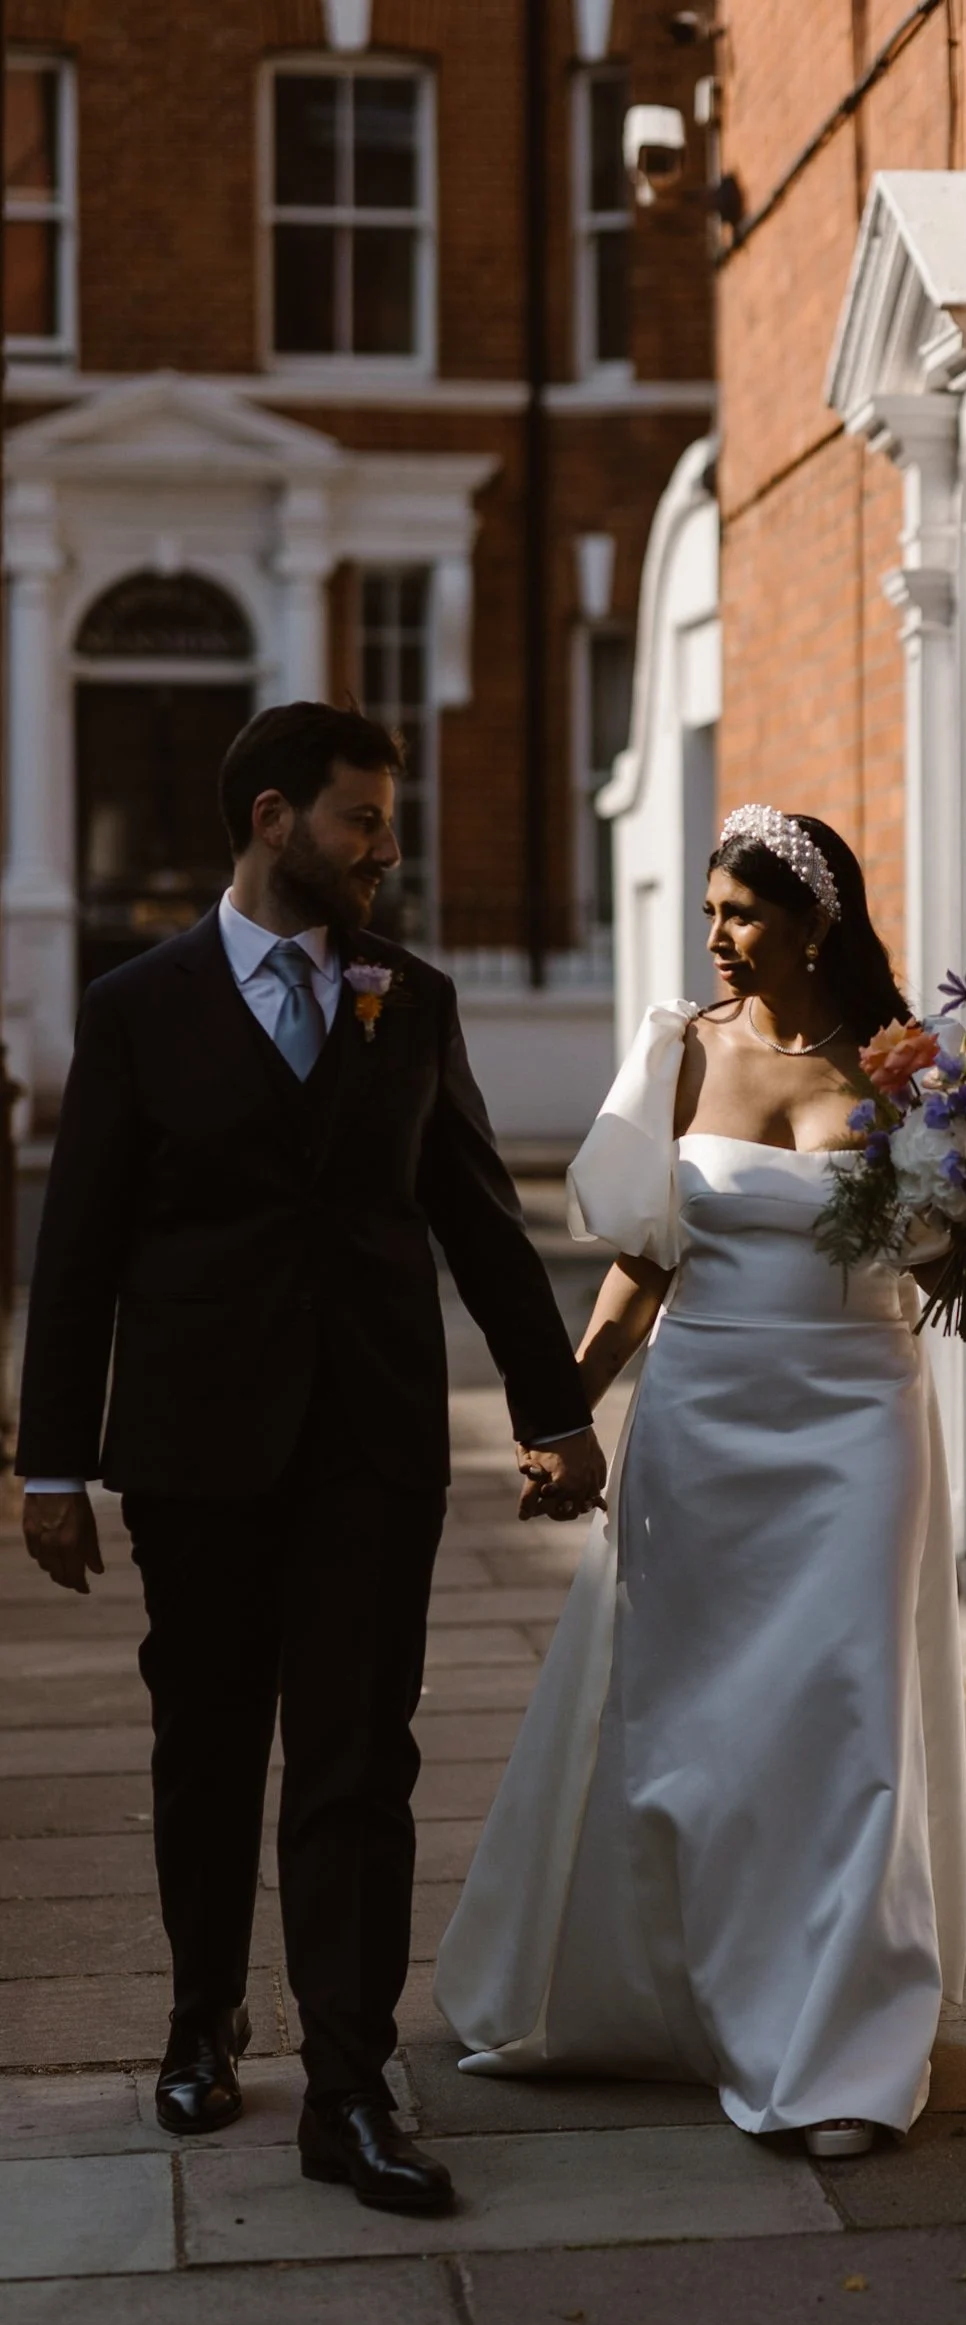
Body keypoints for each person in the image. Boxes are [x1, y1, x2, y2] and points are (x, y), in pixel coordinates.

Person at [16, 701, 606, 2215]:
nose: (384, 848)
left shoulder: (407, 996)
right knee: (205, 1750)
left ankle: (348, 2086)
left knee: (357, 1761)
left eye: (386, 820)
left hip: (369, 1442)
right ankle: (201, 2019)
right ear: (273, 819)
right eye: (360, 819)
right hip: (195, 1447)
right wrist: (51, 1463)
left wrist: (554, 1411)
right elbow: (75, 1249)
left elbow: (479, 1213)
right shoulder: (138, 1004)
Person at [435, 806, 966, 2158]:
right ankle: (681, 1995)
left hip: (858, 1412)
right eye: (712, 916)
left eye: (740, 913)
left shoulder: (905, 1067)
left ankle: (838, 2054)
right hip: (705, 1412)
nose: (719, 938)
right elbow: (641, 1260)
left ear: (813, 921)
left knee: (846, 1717)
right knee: (688, 1725)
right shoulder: (680, 1053)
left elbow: (951, 1258)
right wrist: (566, 1414)